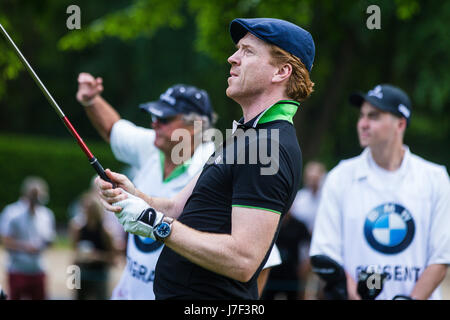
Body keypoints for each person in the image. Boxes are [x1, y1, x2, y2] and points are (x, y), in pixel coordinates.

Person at [96, 17, 315, 299]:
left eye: (247, 51)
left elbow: (243, 261)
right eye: (238, 49)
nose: (232, 58)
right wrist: (136, 196)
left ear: (281, 71)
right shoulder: (243, 135)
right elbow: (177, 207)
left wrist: (155, 223)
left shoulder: (268, 147)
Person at [76, 74, 282, 298]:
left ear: (195, 126)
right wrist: (91, 100)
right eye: (153, 116)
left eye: (164, 119)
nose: (154, 123)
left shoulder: (217, 167)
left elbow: (264, 261)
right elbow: (113, 130)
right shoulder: (153, 144)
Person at [310, 84, 450, 300]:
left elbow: (441, 257)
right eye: (362, 116)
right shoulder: (339, 177)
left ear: (400, 124)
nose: (363, 124)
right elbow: (327, 253)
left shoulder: (435, 178)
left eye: (374, 117)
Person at [0, 177, 56, 300]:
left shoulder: (46, 214)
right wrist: (25, 247)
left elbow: (50, 239)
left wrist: (45, 244)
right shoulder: (12, 212)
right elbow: (5, 240)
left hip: (38, 268)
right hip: (17, 269)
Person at [290, 161, 327, 299]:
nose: (312, 182)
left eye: (315, 178)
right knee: (302, 285)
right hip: (303, 248)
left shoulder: (328, 198)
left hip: (324, 247)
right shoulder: (299, 199)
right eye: (310, 178)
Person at [71, 192, 115, 300]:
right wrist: (72, 281)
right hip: (82, 275)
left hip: (99, 277)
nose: (86, 211)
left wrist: (96, 257)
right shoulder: (78, 230)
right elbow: (74, 256)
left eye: (90, 208)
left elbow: (113, 259)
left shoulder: (106, 233)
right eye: (85, 208)